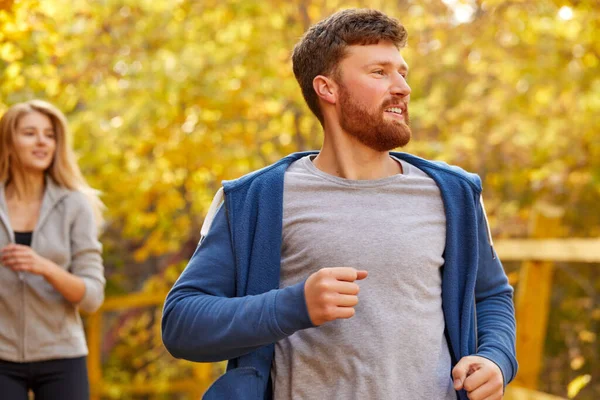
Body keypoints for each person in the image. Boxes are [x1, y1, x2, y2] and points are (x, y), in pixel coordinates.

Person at [162, 8, 517, 400]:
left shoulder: (453, 194)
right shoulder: (256, 200)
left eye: (403, 72)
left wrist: (497, 359)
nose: (402, 87)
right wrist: (294, 306)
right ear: (327, 89)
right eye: (379, 72)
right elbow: (182, 323)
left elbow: (491, 296)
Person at [0, 100, 105, 399]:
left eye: (49, 134)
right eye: (30, 133)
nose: (42, 141)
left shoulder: (75, 205)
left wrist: (44, 266)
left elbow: (92, 297)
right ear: (8, 141)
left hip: (61, 354)